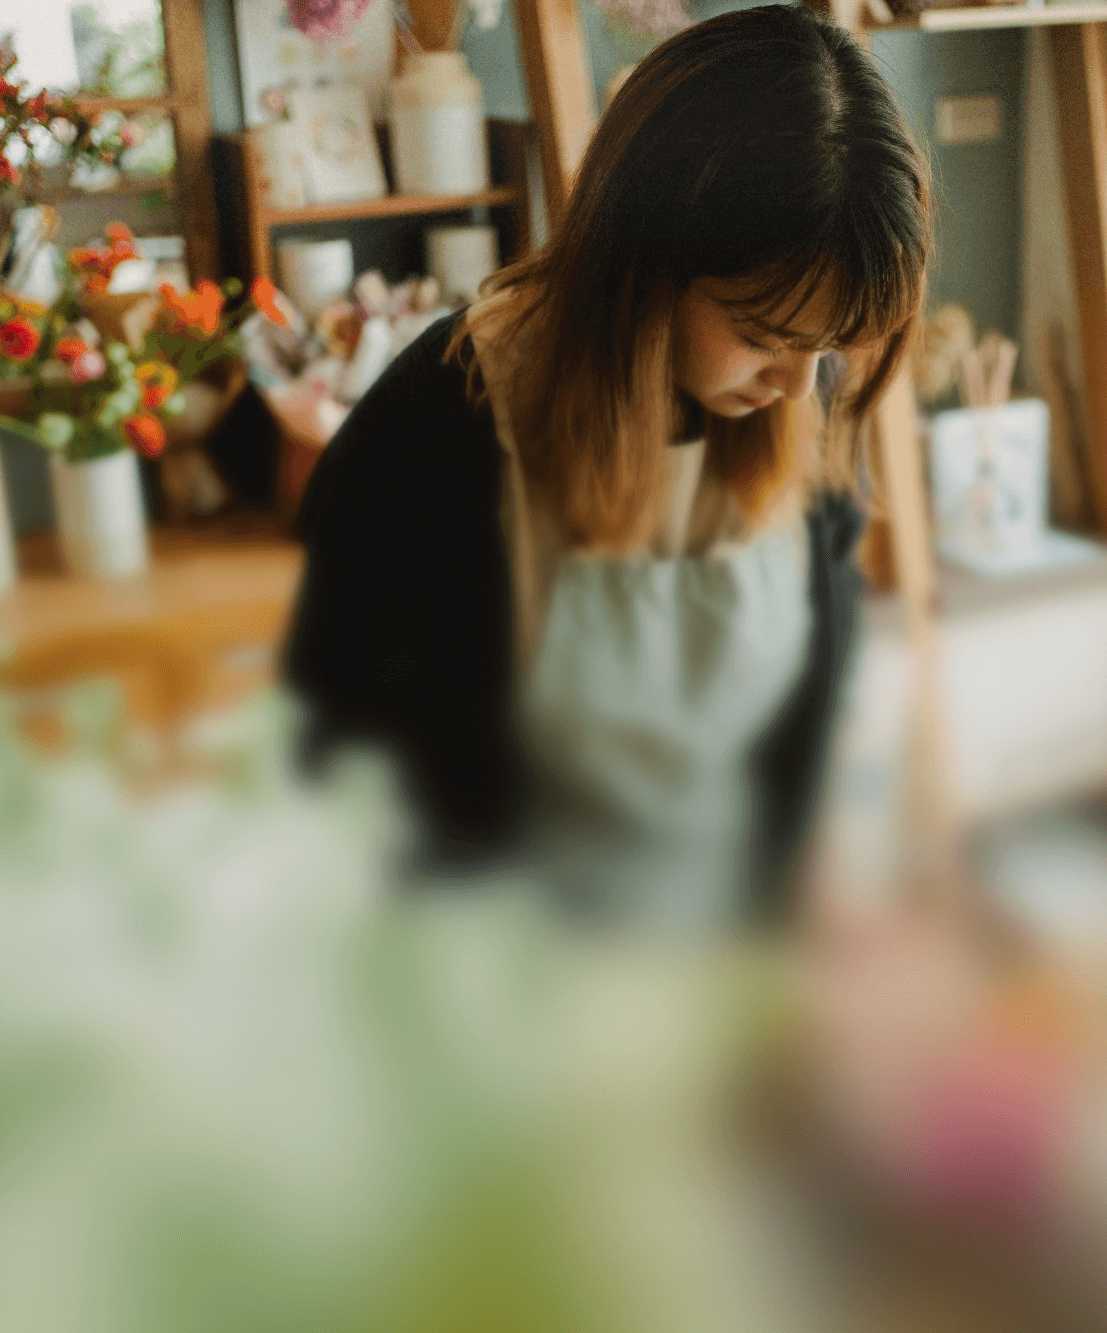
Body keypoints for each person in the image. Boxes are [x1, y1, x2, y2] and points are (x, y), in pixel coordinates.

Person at [282, 2, 930, 926]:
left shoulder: (802, 390)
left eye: (826, 347)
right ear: (650, 263)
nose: (796, 383)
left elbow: (803, 724)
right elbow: (342, 778)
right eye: (762, 336)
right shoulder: (443, 423)